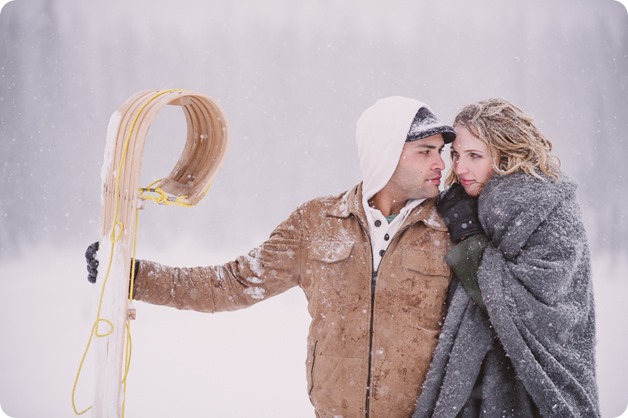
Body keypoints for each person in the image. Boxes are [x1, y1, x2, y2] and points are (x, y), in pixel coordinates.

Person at [86, 96, 457, 417]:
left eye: (440, 152)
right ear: (384, 153)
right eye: (425, 152)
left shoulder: (453, 230)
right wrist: (133, 276)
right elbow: (233, 284)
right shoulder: (316, 224)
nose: (440, 163)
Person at [413, 99, 599, 418]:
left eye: (474, 156)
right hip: (473, 388)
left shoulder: (550, 210)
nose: (459, 169)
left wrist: (470, 238)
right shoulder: (461, 206)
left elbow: (539, 308)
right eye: (455, 155)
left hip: (533, 395)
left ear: (506, 153)